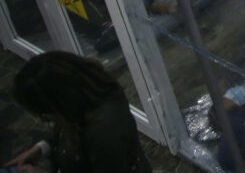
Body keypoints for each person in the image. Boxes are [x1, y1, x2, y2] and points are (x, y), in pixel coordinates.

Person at [9, 51, 152, 173]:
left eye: (48, 114)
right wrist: (42, 148)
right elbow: (66, 129)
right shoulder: (91, 94)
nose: (50, 119)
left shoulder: (102, 133)